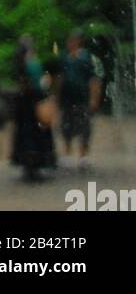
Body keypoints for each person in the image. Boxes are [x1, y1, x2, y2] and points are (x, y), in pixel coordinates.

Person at [10, 35, 57, 182]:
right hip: (35, 103)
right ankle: (34, 165)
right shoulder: (32, 63)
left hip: (25, 105)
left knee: (26, 136)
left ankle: (28, 166)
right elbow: (41, 84)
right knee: (36, 136)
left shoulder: (20, 63)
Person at [57, 29, 102, 170]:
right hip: (67, 99)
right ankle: (67, 153)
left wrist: (94, 98)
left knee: (84, 127)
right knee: (66, 126)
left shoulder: (86, 57)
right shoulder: (64, 57)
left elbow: (93, 79)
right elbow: (60, 78)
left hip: (82, 98)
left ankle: (83, 155)